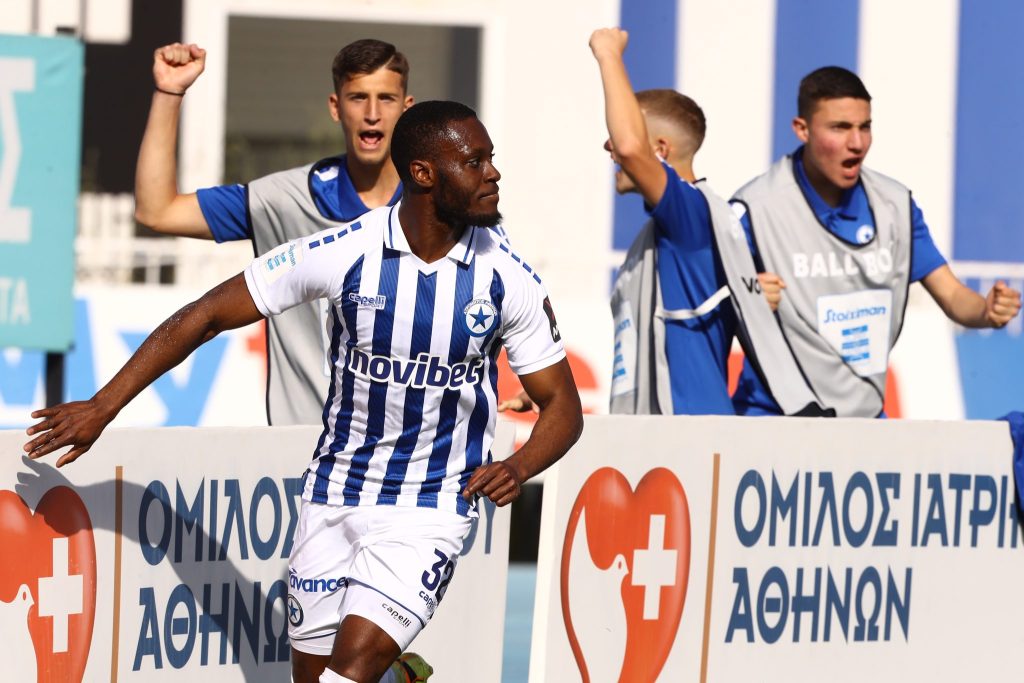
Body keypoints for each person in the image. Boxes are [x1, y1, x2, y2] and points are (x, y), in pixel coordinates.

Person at [26, 101, 583, 683]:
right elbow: (207, 314)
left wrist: (518, 467)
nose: (493, 173)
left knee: (350, 670)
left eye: (490, 159)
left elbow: (563, 407)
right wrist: (103, 406)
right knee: (315, 677)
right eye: (475, 161)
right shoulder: (346, 251)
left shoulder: (507, 278)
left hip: (430, 506)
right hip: (334, 494)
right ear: (423, 174)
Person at [134, 39, 415, 425]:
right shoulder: (283, 198)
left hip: (410, 450)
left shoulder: (435, 208)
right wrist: (169, 92)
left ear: (406, 107)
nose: (372, 114)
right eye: (357, 98)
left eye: (386, 98)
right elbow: (158, 211)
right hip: (304, 448)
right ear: (335, 107)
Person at [731, 66, 1022, 417]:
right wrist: (744, 298)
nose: (857, 143)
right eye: (840, 128)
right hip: (772, 419)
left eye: (864, 127)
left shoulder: (894, 206)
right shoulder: (754, 210)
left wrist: (986, 311)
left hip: (864, 422)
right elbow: (707, 308)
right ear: (802, 129)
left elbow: (952, 296)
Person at [578, 27, 825, 417]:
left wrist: (608, 53)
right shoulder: (665, 236)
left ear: (660, 150)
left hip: (689, 437)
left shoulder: (689, 214)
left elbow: (629, 148)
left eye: (619, 131)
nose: (610, 145)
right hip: (654, 435)